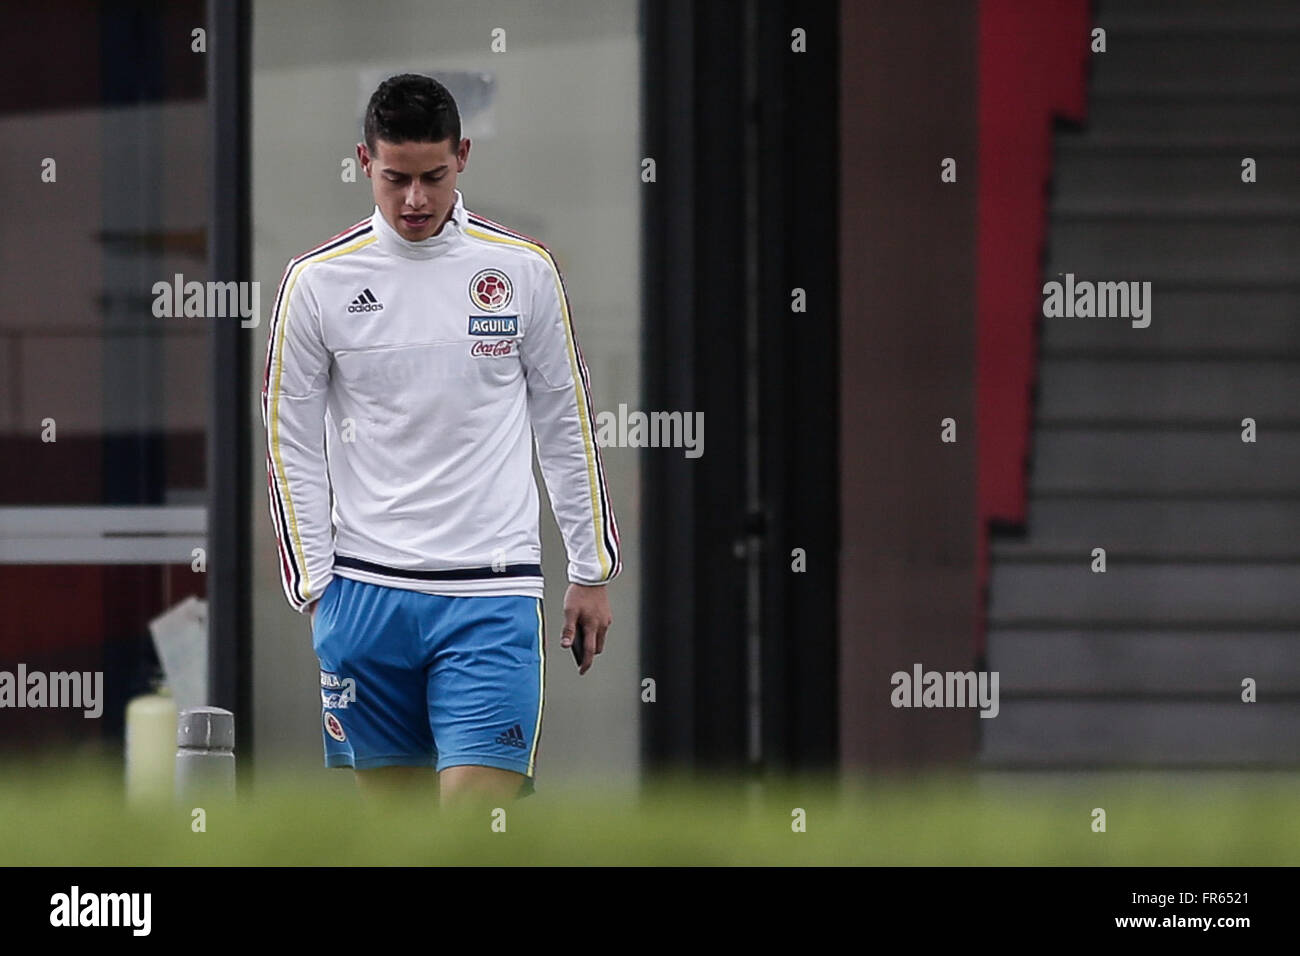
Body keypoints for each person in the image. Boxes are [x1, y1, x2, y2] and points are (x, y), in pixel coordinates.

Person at [261, 73, 621, 807]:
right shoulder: (316, 281)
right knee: (397, 846)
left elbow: (566, 420)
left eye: (433, 177)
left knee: (469, 833)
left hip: (490, 594)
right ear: (365, 162)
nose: (416, 200)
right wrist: (316, 587)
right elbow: (287, 435)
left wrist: (590, 567)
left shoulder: (521, 269)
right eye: (396, 179)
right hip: (363, 595)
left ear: (462, 156)